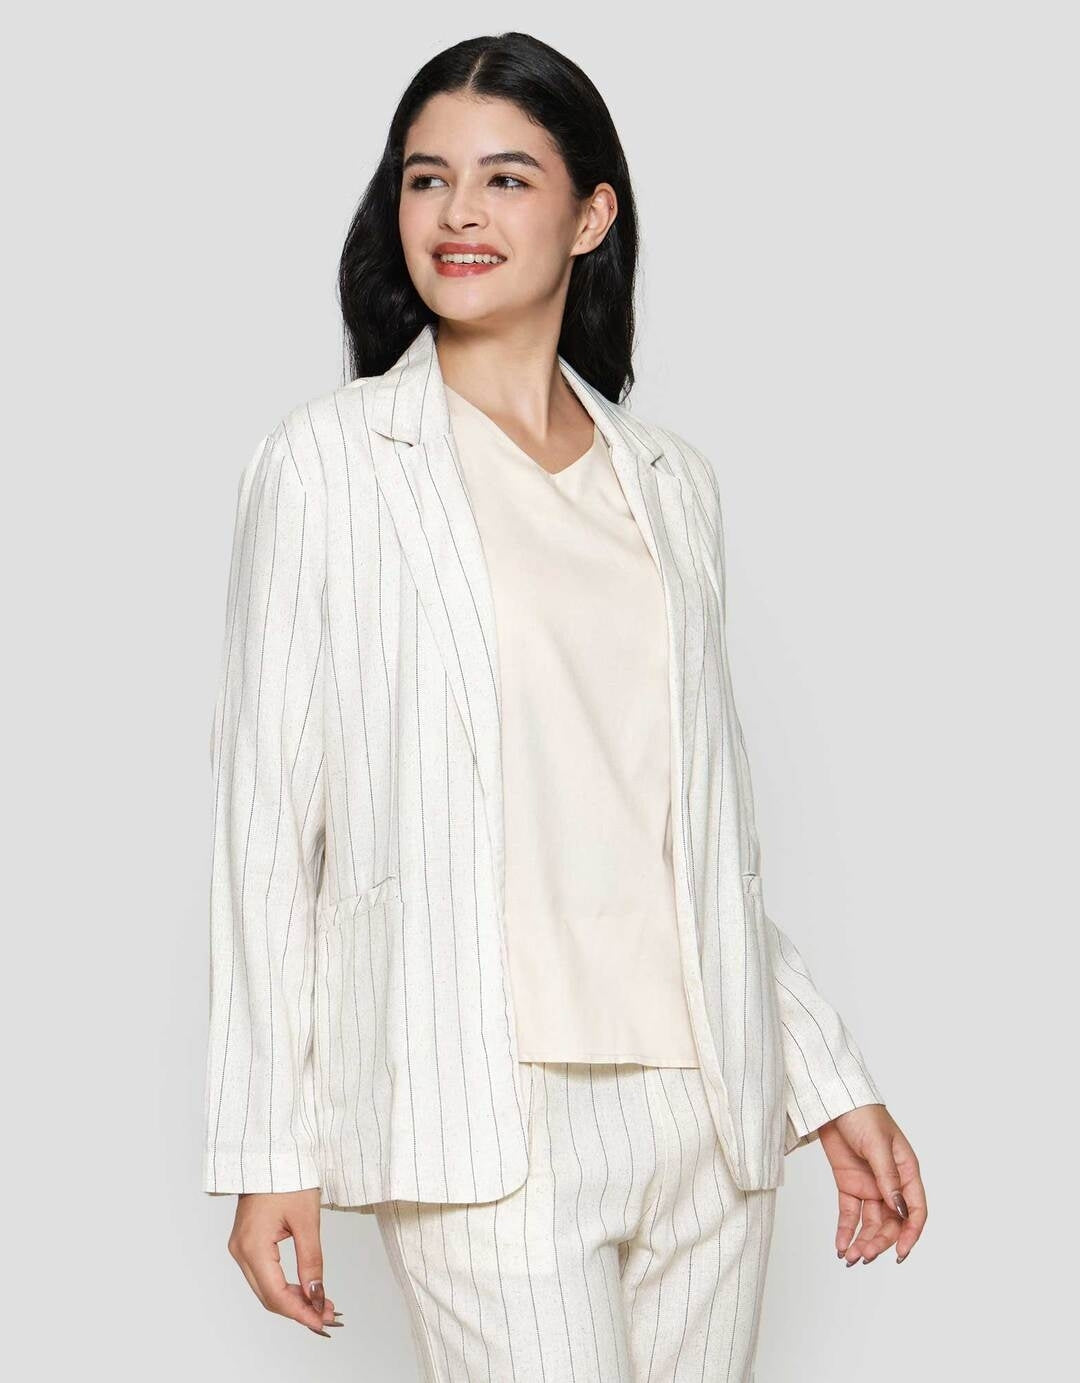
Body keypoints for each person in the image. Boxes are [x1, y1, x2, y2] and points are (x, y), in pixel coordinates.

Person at [202, 30, 927, 1380]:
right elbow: (266, 831)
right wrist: (266, 1148)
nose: (458, 214)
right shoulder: (327, 467)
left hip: (706, 1114)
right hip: (483, 1114)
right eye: (426, 180)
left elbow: (695, 836)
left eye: (506, 178)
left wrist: (831, 1082)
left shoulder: (672, 485)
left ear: (592, 215)